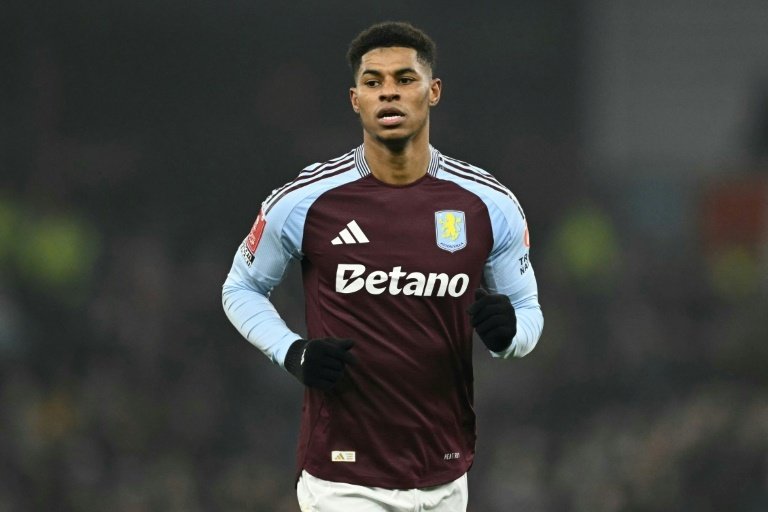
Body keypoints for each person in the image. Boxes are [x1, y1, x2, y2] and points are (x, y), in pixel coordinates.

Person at [222, 21, 543, 511]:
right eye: (373, 82)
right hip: (343, 476)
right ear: (355, 100)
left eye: (404, 79)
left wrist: (510, 335)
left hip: (445, 473)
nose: (388, 93)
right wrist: (292, 351)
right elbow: (240, 288)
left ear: (433, 91)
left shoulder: (489, 203)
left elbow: (527, 309)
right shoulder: (304, 200)